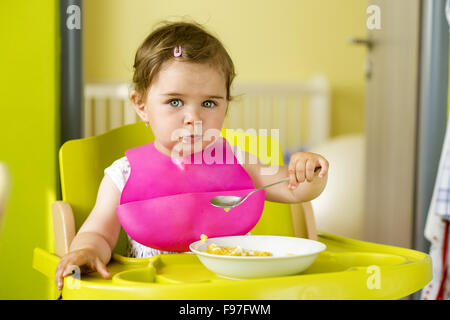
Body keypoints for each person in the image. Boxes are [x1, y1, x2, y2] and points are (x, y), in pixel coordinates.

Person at [55, 20, 329, 291]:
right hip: (156, 292)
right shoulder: (123, 175)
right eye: (175, 102)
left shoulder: (237, 160)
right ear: (141, 105)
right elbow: (99, 233)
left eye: (209, 103)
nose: (194, 118)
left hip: (231, 293)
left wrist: (308, 172)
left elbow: (293, 189)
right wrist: (87, 251)